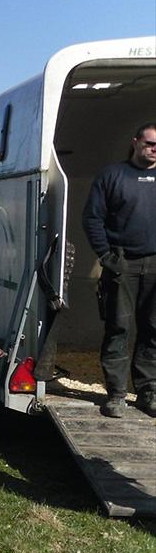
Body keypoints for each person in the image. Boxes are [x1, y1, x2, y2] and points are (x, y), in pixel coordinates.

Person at [81, 122, 156, 418]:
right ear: (135, 142)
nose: (154, 150)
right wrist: (106, 255)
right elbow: (92, 218)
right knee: (118, 327)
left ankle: (149, 391)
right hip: (123, 264)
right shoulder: (113, 176)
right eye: (150, 143)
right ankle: (116, 394)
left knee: (153, 329)